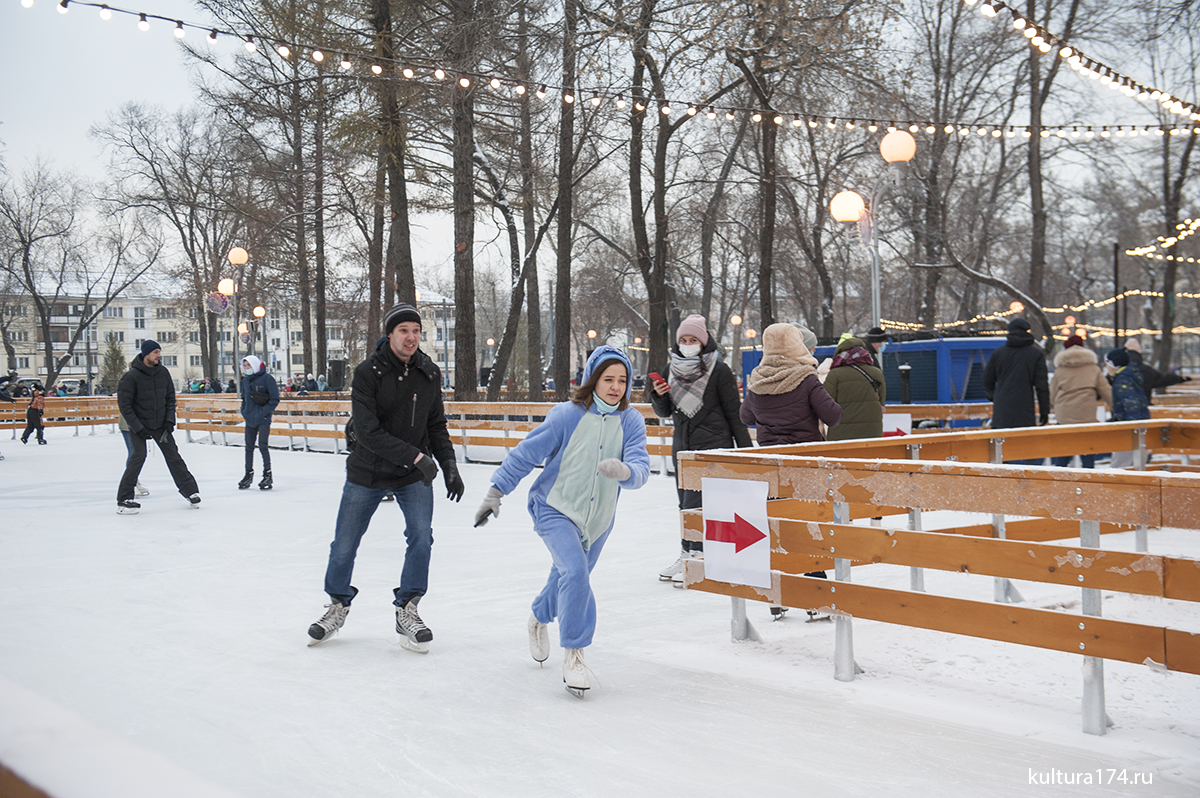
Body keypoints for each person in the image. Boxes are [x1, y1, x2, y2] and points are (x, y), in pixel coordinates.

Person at [473, 346, 650, 697]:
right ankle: (575, 655)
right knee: (575, 571)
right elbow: (527, 454)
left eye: (622, 380)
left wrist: (625, 471)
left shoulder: (631, 422)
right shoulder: (566, 415)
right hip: (554, 507)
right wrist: (496, 492)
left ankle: (539, 616)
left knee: (568, 576)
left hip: (597, 520)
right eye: (608, 379)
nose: (616, 387)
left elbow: (641, 469)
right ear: (592, 380)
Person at [307, 303, 464, 653]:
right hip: (368, 472)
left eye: (416, 331)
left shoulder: (429, 372)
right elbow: (367, 432)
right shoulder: (367, 373)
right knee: (344, 544)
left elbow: (435, 424)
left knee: (422, 538)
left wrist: (449, 464)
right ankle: (337, 604)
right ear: (390, 334)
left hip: (412, 476)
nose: (411, 337)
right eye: (403, 330)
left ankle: (407, 608)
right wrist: (418, 457)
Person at [648, 314, 752, 585]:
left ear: (703, 342)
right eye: (683, 339)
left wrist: (746, 453)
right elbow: (666, 412)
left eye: (693, 339)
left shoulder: (719, 371)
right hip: (683, 448)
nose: (687, 344)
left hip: (713, 448)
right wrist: (659, 395)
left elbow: (734, 414)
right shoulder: (671, 369)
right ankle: (688, 554)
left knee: (703, 506)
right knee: (686, 506)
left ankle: (699, 560)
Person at [115, 341, 200, 514]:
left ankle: (190, 491)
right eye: (155, 352)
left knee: (173, 456)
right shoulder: (131, 376)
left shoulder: (163, 373)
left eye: (159, 352)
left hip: (161, 424)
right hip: (139, 424)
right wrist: (138, 427)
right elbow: (125, 406)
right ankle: (124, 499)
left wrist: (169, 420)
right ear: (146, 354)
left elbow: (170, 398)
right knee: (138, 456)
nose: (159, 355)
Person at [740, 323, 843, 446]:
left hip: (769, 456)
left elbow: (746, 418)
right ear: (797, 344)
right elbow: (833, 416)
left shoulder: (758, 380)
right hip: (804, 454)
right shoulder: (806, 378)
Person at [982, 318, 1049, 464]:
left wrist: (996, 397)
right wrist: (1045, 411)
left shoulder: (998, 353)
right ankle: (1029, 481)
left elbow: (987, 381)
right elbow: (1042, 386)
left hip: (1002, 411)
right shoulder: (1035, 355)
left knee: (1002, 450)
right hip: (1025, 409)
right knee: (1027, 448)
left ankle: (1004, 481)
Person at [1049, 336, 1112, 468]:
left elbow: (1052, 393)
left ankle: (1060, 479)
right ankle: (1088, 478)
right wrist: (1115, 406)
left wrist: (1052, 407)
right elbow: (1105, 390)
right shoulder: (1093, 368)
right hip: (1086, 413)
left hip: (1064, 414)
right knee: (1087, 449)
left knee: (1064, 450)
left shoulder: (1060, 369)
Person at [824, 336, 886, 441]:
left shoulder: (835, 374)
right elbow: (881, 399)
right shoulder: (877, 373)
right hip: (872, 432)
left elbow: (826, 402)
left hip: (842, 432)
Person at [238, 355, 280, 491]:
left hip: (263, 418)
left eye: (249, 365)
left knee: (263, 445)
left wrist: (264, 412)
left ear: (255, 365)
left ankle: (267, 474)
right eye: (245, 366)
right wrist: (244, 411)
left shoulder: (267, 379)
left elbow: (274, 399)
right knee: (248, 447)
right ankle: (248, 473)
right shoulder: (245, 381)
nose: (246, 368)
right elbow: (244, 398)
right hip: (250, 417)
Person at [1106, 348, 1150, 469]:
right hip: (1136, 425)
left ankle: (1116, 485)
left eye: (1108, 363)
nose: (1106, 367)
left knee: (1120, 463)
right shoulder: (1128, 376)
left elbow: (1132, 404)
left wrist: (1131, 426)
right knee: (1137, 461)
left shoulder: (1122, 380)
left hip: (1130, 428)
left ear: (1115, 365)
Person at [1124, 338, 1189, 403]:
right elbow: (1164, 378)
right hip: (1142, 408)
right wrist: (1181, 379)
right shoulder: (1147, 371)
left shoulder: (1119, 370)